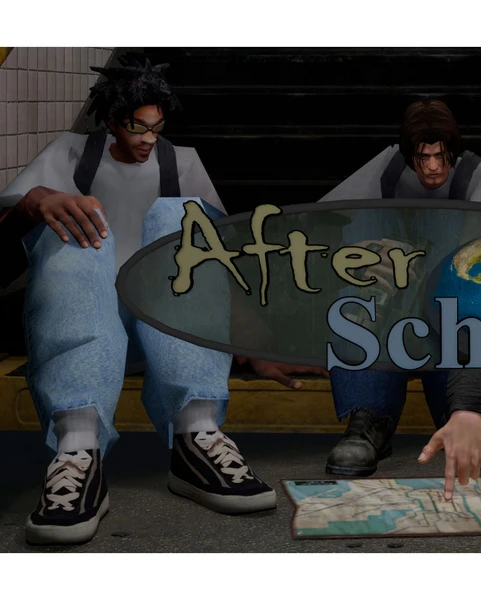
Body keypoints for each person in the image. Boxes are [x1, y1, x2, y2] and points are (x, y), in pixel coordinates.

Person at [0, 55, 285, 545]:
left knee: (185, 221)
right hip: (81, 328)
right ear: (112, 121)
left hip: (168, 334)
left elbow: (215, 263)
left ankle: (196, 437)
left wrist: (250, 342)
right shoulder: (70, 154)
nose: (149, 138)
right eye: (137, 126)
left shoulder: (181, 163)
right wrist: (39, 199)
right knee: (75, 224)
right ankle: (77, 450)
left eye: (157, 126)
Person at [317, 99, 481, 476]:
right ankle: (367, 419)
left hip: (445, 309)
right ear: (410, 154)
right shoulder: (387, 171)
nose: (433, 167)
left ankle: (466, 416)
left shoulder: (474, 179)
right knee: (354, 303)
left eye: (441, 156)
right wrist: (369, 252)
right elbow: (330, 223)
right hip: (389, 303)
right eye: (423, 157)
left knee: (471, 310)